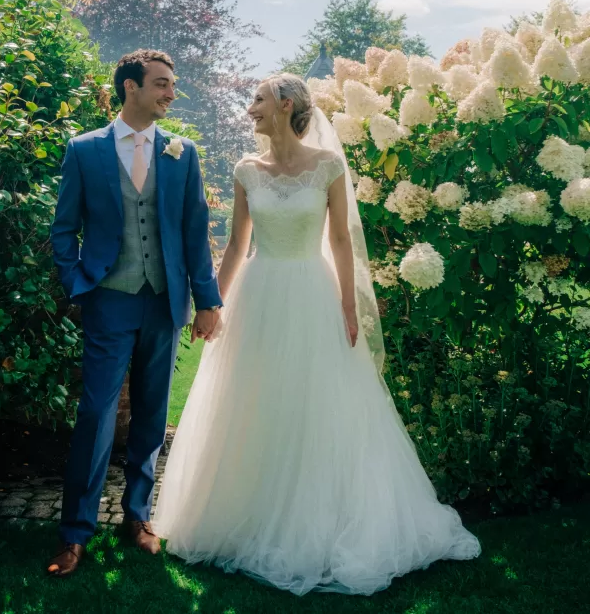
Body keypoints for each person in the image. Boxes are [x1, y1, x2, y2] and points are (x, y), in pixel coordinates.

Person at [153, 73, 481, 596]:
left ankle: (320, 516)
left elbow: (342, 242)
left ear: (285, 106)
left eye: (257, 100)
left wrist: (349, 307)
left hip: (312, 292)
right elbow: (237, 246)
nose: (250, 109)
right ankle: (250, 513)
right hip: (259, 295)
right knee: (254, 400)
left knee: (317, 403)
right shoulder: (246, 170)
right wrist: (212, 304)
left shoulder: (328, 166)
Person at [47, 49, 222, 578]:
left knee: (151, 415)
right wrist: (79, 284)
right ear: (130, 88)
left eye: (172, 84)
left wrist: (207, 299)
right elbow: (63, 228)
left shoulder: (181, 151)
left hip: (164, 301)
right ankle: (75, 534)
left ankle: (137, 518)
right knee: (96, 414)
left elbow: (195, 231)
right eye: (162, 84)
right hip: (109, 298)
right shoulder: (85, 150)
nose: (171, 93)